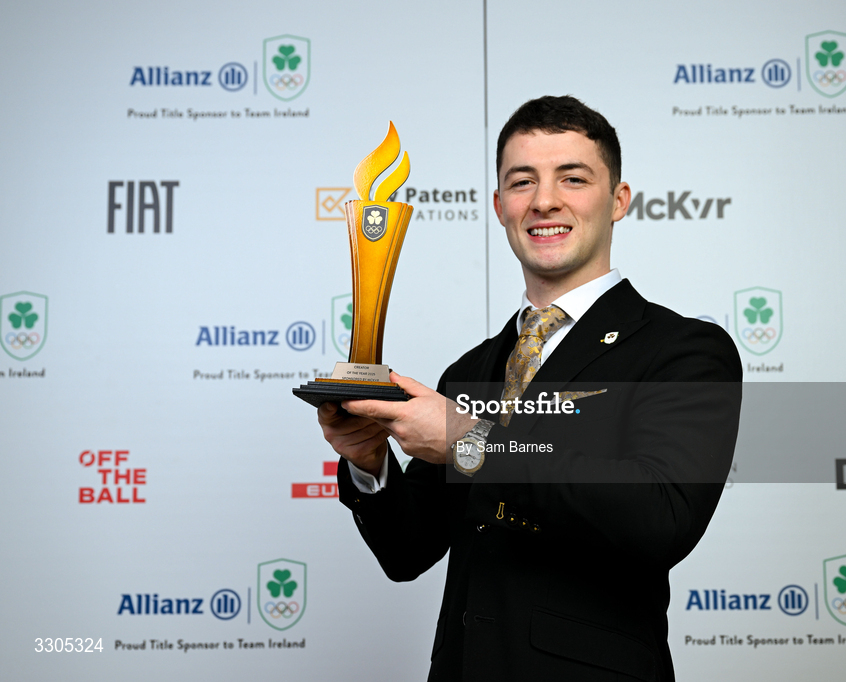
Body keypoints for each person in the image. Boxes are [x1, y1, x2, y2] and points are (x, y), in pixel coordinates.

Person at [318, 95, 742, 682]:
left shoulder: (684, 351)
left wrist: (471, 442)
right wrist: (370, 462)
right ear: (498, 205)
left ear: (619, 200)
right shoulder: (470, 370)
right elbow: (407, 552)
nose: (545, 200)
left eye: (573, 177)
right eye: (523, 182)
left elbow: (660, 517)